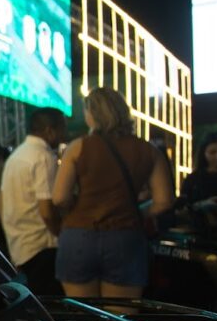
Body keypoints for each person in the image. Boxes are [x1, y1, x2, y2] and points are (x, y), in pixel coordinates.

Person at [53, 87, 174, 298]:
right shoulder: (149, 150)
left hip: (79, 236)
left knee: (83, 313)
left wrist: (78, 207)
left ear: (92, 114)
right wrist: (139, 213)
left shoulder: (78, 147)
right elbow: (164, 200)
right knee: (120, 315)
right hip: (126, 236)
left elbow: (60, 197)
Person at [0, 108, 67, 295]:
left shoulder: (16, 156)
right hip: (43, 246)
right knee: (51, 303)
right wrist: (62, 234)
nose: (65, 135)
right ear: (49, 131)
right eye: (62, 128)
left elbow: (0, 202)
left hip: (20, 247)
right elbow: (47, 210)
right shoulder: (44, 156)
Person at [179, 131, 217, 208]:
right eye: (212, 152)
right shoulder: (193, 180)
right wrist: (203, 204)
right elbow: (182, 207)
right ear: (204, 154)